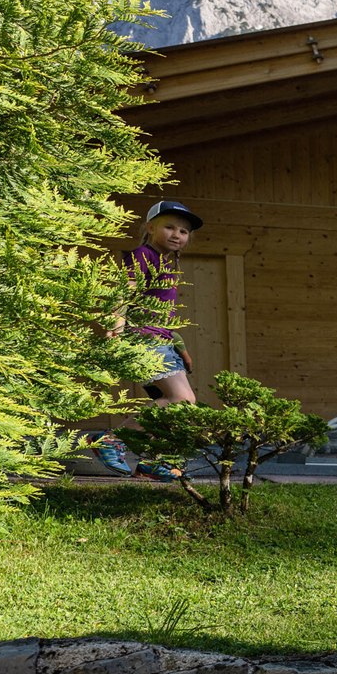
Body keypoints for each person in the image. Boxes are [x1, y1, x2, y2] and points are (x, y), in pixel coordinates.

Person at [90, 199, 203, 481]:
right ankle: (113, 441)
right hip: (145, 340)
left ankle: (153, 462)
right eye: (169, 227)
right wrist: (116, 326)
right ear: (150, 228)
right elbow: (124, 291)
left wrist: (180, 346)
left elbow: (160, 311)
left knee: (173, 403)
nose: (177, 234)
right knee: (181, 400)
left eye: (184, 231)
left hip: (161, 340)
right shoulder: (144, 254)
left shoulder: (167, 261)